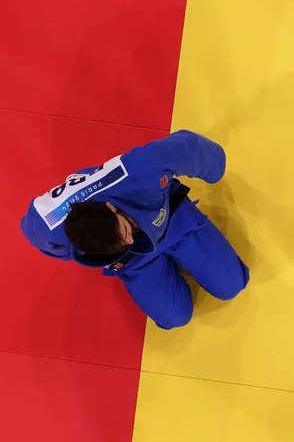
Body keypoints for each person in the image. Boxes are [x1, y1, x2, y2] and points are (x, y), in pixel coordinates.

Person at [21, 130, 249, 329]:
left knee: (231, 284)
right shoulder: (47, 228)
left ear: (111, 207)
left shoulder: (141, 172)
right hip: (134, 262)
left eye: (125, 230)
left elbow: (188, 148)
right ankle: (142, 262)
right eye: (119, 244)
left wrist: (215, 169)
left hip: (172, 222)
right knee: (175, 318)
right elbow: (30, 226)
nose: (130, 240)